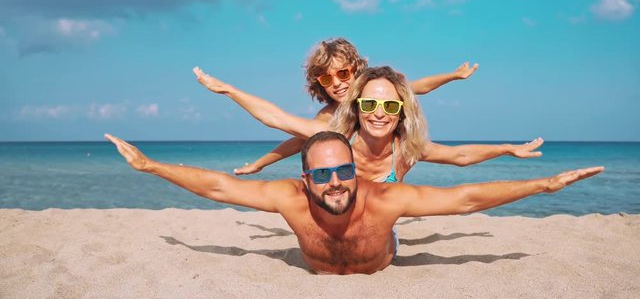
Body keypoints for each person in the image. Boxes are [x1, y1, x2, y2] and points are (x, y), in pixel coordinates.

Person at [105, 131, 603, 275]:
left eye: (344, 171)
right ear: (305, 179)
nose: (336, 182)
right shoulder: (289, 199)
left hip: (384, 251)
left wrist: (545, 185)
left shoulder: (384, 199)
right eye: (321, 175)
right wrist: (152, 167)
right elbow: (217, 187)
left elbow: (465, 199)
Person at [193, 65, 543, 183]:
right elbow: (280, 124)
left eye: (389, 105)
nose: (379, 111)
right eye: (327, 78)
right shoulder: (335, 129)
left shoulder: (404, 147)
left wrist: (507, 148)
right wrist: (226, 89)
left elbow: (461, 156)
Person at [210, 38, 479, 175]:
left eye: (343, 74)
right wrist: (261, 163)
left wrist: (452, 76)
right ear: (319, 83)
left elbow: (417, 86)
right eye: (327, 78)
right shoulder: (329, 116)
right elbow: (293, 139)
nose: (337, 83)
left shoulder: (373, 92)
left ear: (356, 71)